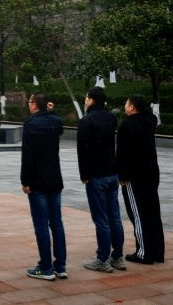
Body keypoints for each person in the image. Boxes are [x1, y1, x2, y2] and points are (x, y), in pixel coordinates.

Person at [77, 86, 125, 272]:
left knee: (101, 218)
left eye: (86, 97)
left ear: (91, 100)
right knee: (115, 217)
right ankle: (117, 257)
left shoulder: (86, 121)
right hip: (112, 173)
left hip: (96, 176)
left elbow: (83, 150)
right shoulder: (111, 118)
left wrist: (84, 174)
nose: (85, 100)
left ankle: (102, 259)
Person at [21, 93, 67, 280]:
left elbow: (27, 155)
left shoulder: (30, 124)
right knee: (56, 222)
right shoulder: (55, 122)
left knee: (41, 224)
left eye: (30, 102)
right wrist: (52, 112)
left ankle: (46, 267)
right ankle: (60, 265)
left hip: (37, 181)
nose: (29, 105)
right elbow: (60, 127)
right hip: (54, 179)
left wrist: (25, 181)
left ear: (34, 105)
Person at [117, 94, 165, 265]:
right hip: (151, 173)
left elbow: (122, 153)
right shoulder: (150, 122)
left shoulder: (127, 125)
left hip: (134, 176)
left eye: (127, 104)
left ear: (132, 107)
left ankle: (144, 253)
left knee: (137, 213)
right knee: (152, 212)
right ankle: (157, 252)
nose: (125, 106)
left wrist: (122, 176)